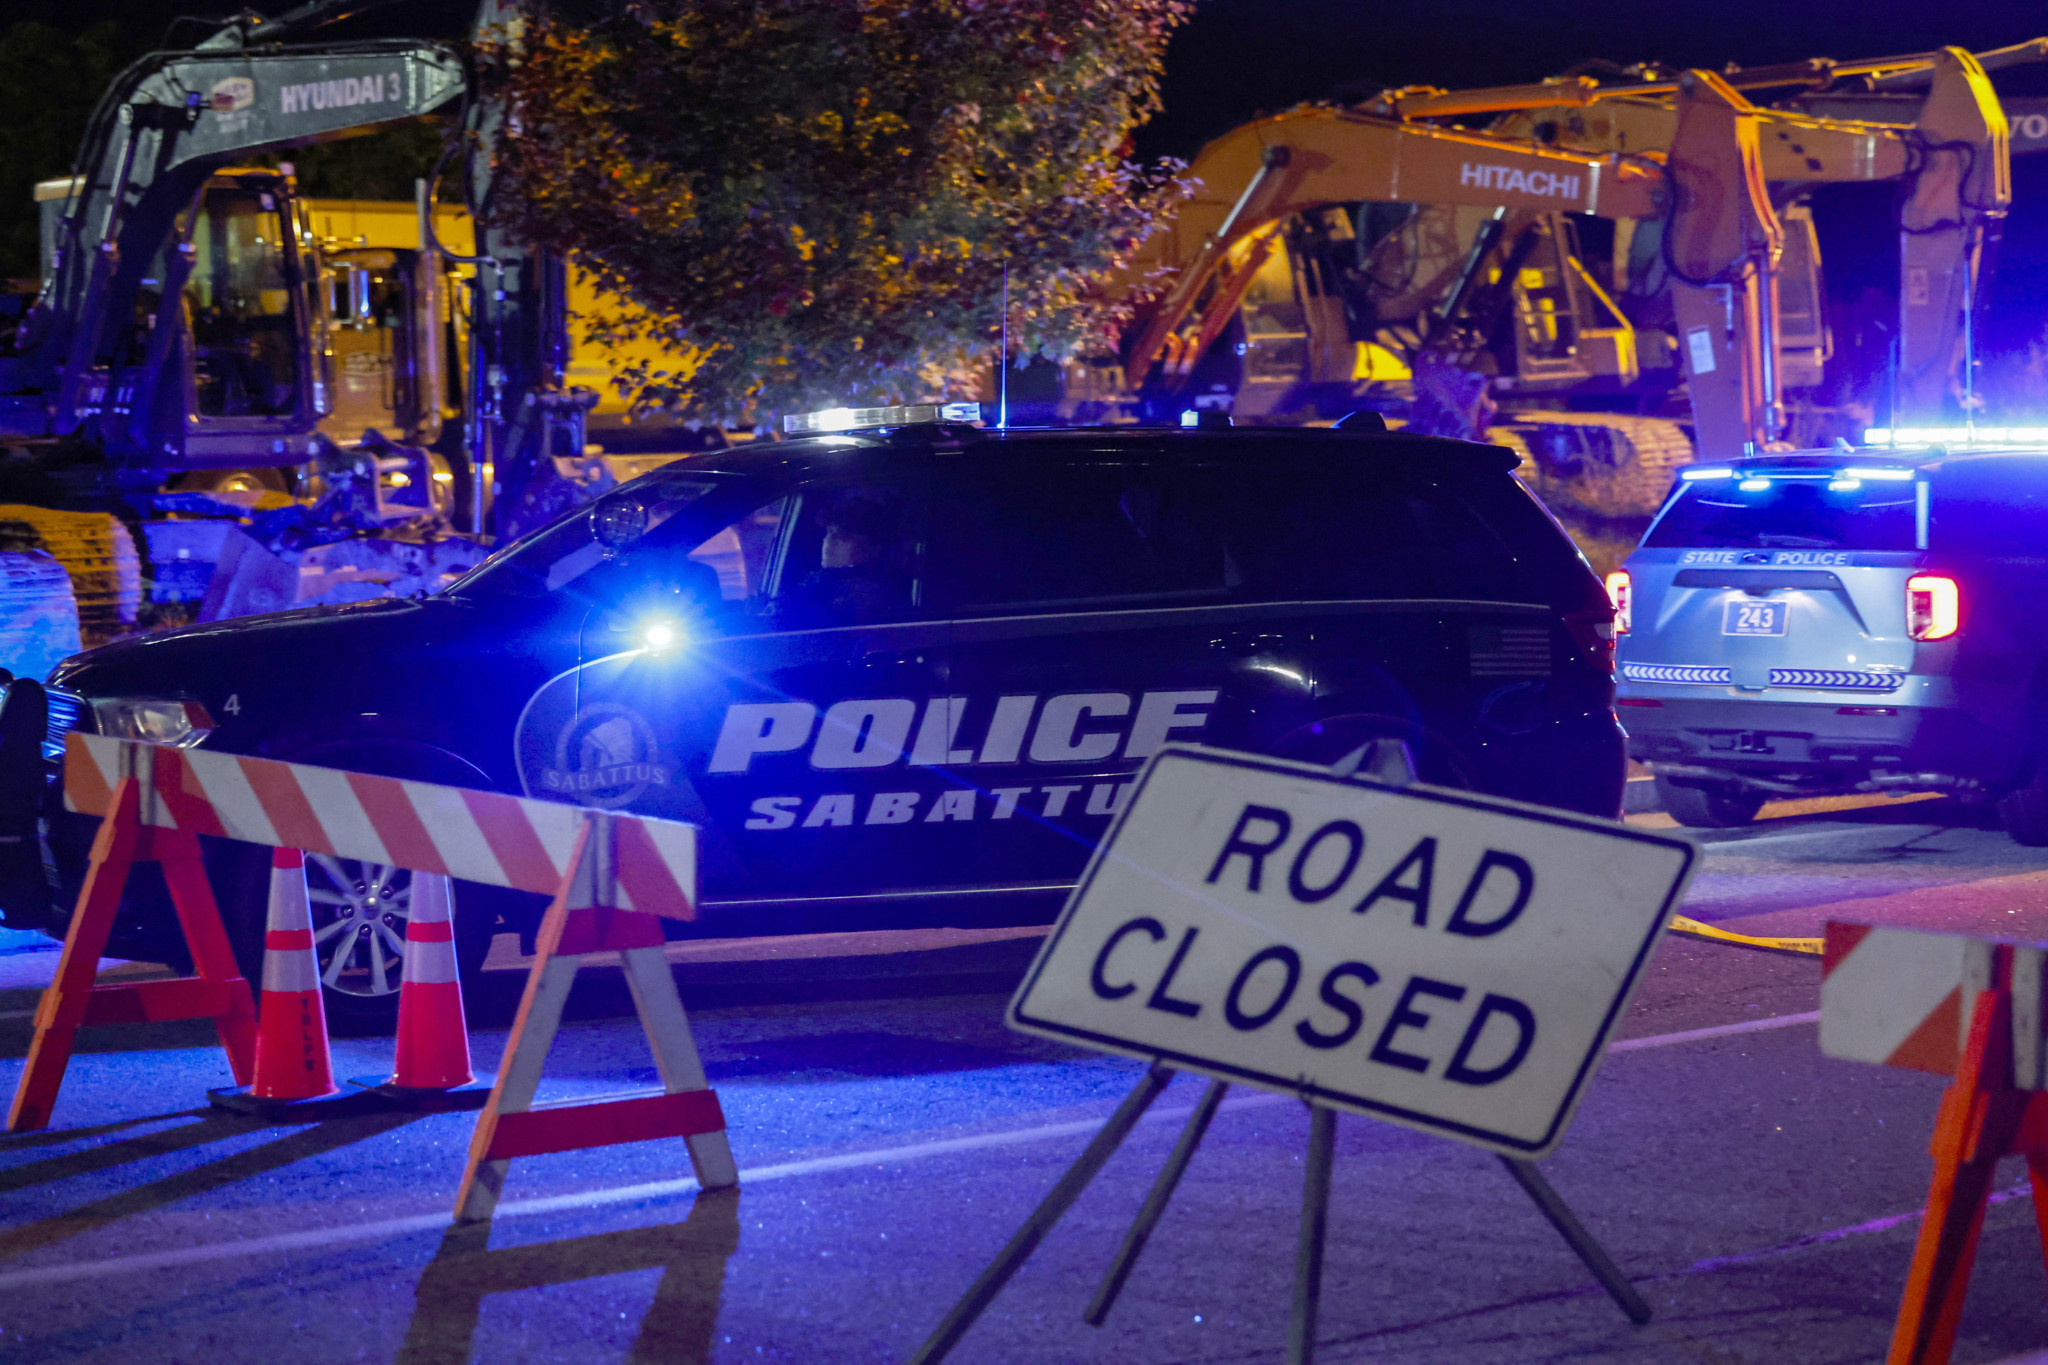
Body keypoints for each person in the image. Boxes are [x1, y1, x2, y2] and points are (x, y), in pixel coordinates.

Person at [788, 498, 908, 623]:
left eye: (843, 536)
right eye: (829, 532)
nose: (829, 541)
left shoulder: (883, 595)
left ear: (874, 547)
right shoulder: (808, 584)